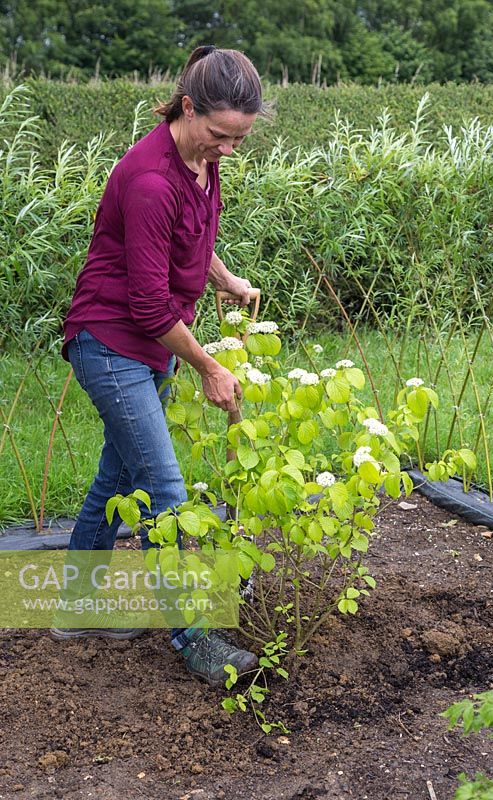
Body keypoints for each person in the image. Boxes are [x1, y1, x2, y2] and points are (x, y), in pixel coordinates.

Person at [50, 45, 265, 686]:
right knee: (165, 493)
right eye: (221, 134)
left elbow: (193, 235)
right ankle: (193, 638)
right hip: (113, 341)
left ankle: (77, 606)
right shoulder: (148, 179)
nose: (228, 149)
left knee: (117, 479)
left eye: (240, 140)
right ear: (190, 107)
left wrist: (222, 278)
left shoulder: (200, 157)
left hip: (151, 343)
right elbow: (146, 304)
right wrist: (207, 366)